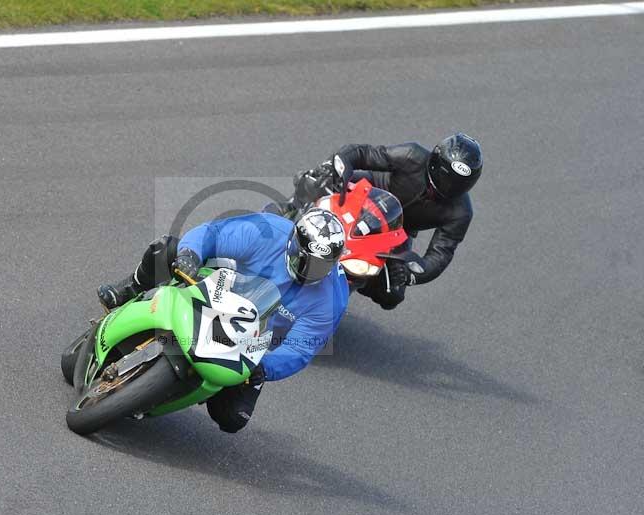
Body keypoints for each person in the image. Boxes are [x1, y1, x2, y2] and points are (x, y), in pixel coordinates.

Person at [97, 209, 349, 433]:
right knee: (169, 248)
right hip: (219, 288)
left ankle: (180, 391)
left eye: (320, 266)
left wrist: (265, 368)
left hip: (251, 339)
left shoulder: (332, 300)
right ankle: (130, 289)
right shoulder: (267, 232)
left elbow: (299, 349)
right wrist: (191, 255)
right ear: (293, 242)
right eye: (306, 259)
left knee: (232, 417)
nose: (309, 270)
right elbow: (212, 234)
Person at [291, 132, 483, 310]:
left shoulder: (460, 213)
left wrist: (411, 274)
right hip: (364, 194)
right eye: (446, 178)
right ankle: (281, 216)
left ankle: (340, 293)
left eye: (459, 184)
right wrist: (338, 166)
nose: (449, 187)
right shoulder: (412, 155)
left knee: (392, 294)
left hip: (397, 232)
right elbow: (363, 153)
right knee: (315, 182)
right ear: (434, 163)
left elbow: (441, 255)